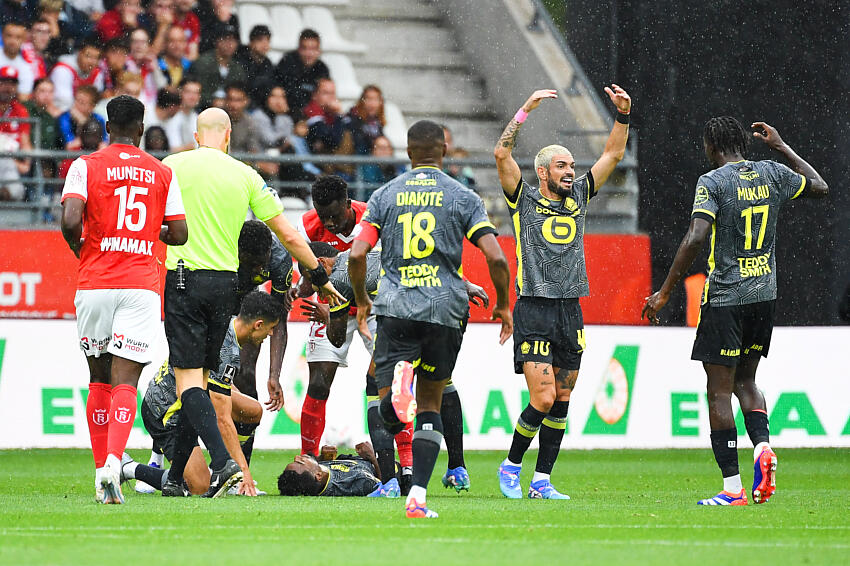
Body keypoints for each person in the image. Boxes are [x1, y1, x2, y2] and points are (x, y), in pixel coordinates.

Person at [642, 118, 828, 506]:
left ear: (711, 146)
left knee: (718, 392)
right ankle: (762, 447)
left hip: (727, 298)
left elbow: (696, 236)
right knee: (747, 381)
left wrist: (663, 292)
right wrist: (781, 146)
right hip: (764, 296)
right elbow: (820, 187)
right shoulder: (774, 173)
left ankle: (732, 489)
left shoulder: (713, 182)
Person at [159, 106, 344, 498]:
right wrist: (320, 277)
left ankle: (223, 463)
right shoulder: (245, 175)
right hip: (224, 287)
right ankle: (175, 476)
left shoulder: (171, 166)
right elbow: (292, 237)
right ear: (227, 136)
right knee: (212, 381)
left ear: (196, 137)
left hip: (183, 281)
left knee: (190, 381)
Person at [349, 119, 512, 518]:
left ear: (408, 153)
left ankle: (394, 402)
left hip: (397, 306)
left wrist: (361, 302)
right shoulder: (462, 196)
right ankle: (418, 498)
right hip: (444, 309)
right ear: (443, 150)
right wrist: (504, 305)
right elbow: (496, 257)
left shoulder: (385, 195)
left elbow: (356, 255)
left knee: (389, 405)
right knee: (431, 404)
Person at [493, 86, 630, 500]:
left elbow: (613, 156)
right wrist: (524, 110)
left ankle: (542, 481)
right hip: (534, 307)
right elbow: (501, 155)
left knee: (564, 397)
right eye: (561, 165)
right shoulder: (524, 200)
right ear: (543, 172)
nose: (570, 171)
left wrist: (623, 116)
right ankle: (512, 464)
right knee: (544, 395)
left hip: (571, 309)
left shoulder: (581, 197)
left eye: (572, 165)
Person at [59, 94, 188, 504]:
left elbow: (70, 220)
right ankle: (116, 459)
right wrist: (150, 233)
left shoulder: (84, 166)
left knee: (97, 378)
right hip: (139, 284)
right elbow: (180, 233)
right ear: (141, 125)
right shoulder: (161, 171)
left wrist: (86, 251)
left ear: (108, 124)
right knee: (125, 380)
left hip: (95, 282)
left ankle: (101, 472)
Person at [300, 240, 489, 497]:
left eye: (310, 278)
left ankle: (388, 482)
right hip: (450, 308)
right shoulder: (376, 252)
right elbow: (426, 265)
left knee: (375, 386)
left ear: (320, 265)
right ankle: (457, 467)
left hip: (411, 317)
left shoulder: (342, 275)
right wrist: (466, 285)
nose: (311, 287)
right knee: (438, 383)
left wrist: (333, 310)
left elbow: (336, 338)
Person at [123, 290, 283, 496]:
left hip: (190, 399)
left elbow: (217, 386)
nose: (270, 335)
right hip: (165, 411)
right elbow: (222, 419)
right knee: (200, 486)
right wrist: (244, 472)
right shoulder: (228, 348)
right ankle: (128, 468)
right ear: (258, 325)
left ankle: (232, 478)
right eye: (270, 329)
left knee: (252, 410)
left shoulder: (228, 327)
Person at [231, 219, 292, 465]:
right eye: (251, 264)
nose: (258, 271)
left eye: (261, 264)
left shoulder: (280, 260)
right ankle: (158, 458)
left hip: (249, 307)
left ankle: (241, 468)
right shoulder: (223, 246)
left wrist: (274, 374)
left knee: (245, 374)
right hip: (218, 303)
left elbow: (277, 320)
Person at [278, 442, 383, 497]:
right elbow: (385, 487)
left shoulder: (317, 475)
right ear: (318, 476)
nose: (297, 456)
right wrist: (373, 458)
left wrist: (322, 458)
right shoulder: (352, 482)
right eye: (300, 462)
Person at [274, 28, 329, 118]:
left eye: (313, 49)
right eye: (305, 48)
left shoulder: (322, 69)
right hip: (287, 114)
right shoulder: (287, 63)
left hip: (311, 114)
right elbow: (286, 95)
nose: (309, 53)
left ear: (319, 51)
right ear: (298, 49)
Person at [188, 23, 244, 109]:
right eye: (225, 39)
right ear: (217, 41)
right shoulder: (203, 62)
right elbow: (196, 91)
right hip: (202, 108)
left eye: (233, 40)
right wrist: (212, 101)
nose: (229, 44)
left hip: (229, 109)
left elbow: (241, 92)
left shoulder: (237, 68)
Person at [0, 65, 32, 201]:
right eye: (4, 82)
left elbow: (25, 140)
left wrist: (27, 162)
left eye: (12, 83)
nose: (8, 87)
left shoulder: (20, 110)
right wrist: (15, 163)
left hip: (13, 163)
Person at [49, 35, 102, 111]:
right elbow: (62, 104)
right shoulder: (62, 70)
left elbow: (95, 103)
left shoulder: (97, 73)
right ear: (79, 53)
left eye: (96, 58)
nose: (92, 62)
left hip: (83, 115)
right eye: (88, 56)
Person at [235, 24, 273, 109]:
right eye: (260, 40)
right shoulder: (240, 60)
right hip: (242, 104)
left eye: (268, 40)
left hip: (262, 107)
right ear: (251, 43)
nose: (265, 44)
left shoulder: (268, 63)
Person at [57, 84, 105, 149]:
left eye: (82, 102)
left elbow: (104, 143)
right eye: (76, 100)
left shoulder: (99, 118)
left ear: (92, 106)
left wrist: (83, 121)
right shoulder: (65, 117)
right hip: (71, 157)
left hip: (92, 156)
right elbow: (70, 145)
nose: (77, 104)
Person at [343, 85, 384, 155]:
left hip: (372, 159)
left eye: (376, 99)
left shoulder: (377, 122)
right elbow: (358, 143)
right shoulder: (353, 118)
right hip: (356, 158)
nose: (372, 104)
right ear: (362, 101)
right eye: (369, 99)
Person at [0, 21, 35, 99]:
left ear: (24, 40)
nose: (13, 41)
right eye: (9, 36)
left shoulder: (26, 68)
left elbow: (23, 98)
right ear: (2, 36)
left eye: (18, 37)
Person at [224, 81, 261, 155]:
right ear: (225, 100)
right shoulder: (216, 119)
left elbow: (253, 154)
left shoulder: (250, 123)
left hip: (241, 163)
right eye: (230, 99)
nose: (233, 104)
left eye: (238, 100)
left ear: (246, 101)